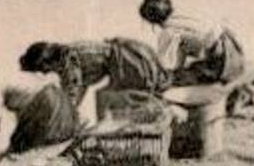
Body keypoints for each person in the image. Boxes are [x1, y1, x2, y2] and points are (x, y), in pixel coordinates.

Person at [0, 61, 80, 166]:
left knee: (20, 153)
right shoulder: (7, 74)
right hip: (62, 105)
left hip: (48, 107)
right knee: (20, 146)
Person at [18, 37, 169, 122]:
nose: (45, 73)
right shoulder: (69, 57)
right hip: (123, 63)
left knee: (104, 98)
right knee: (104, 98)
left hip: (127, 63)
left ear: (47, 61)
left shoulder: (68, 61)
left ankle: (106, 135)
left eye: (42, 69)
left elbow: (72, 94)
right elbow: (76, 91)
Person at [137, 0, 246, 87]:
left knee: (176, 79)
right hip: (235, 54)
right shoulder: (186, 15)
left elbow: (167, 66)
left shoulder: (168, 32)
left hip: (222, 63)